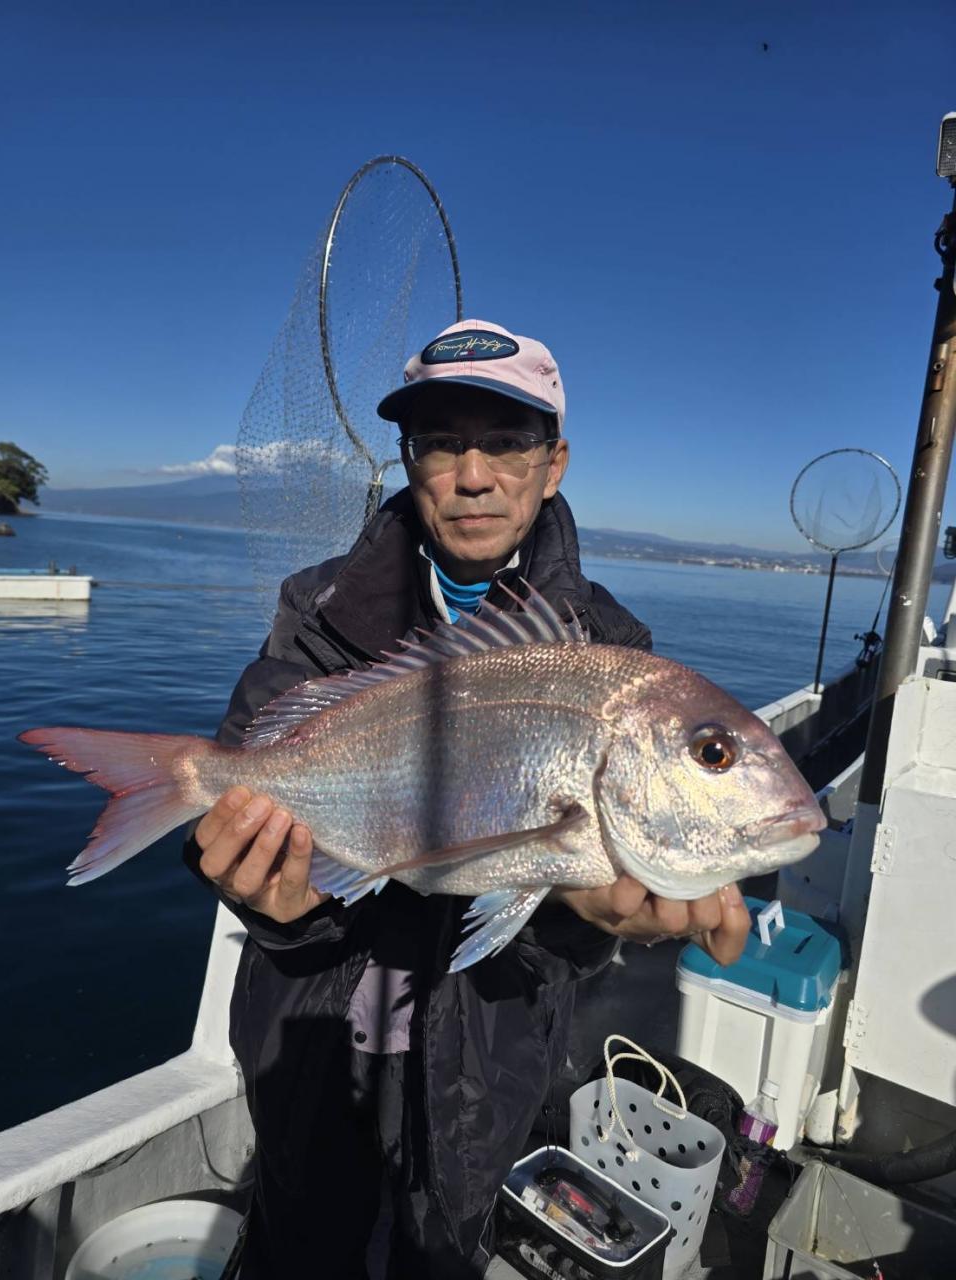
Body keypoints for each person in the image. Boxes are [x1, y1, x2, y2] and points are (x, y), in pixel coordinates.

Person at [185, 319, 750, 1278]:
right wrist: (275, 906)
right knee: (298, 1242)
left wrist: (587, 920)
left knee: (442, 1250)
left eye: (508, 441)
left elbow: (557, 908)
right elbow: (248, 808)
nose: (474, 475)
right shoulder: (319, 615)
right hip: (309, 1049)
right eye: (442, 442)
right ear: (410, 462)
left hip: (485, 1068)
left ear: (554, 463)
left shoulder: (611, 651)